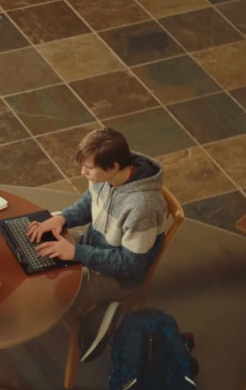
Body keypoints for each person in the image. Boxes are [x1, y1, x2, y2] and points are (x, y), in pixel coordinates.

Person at [26, 128, 167, 362]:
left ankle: (100, 313)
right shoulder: (111, 176)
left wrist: (75, 252)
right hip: (93, 249)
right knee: (37, 254)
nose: (83, 173)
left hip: (120, 278)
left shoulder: (143, 207)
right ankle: (94, 307)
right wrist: (63, 219)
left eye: (89, 169)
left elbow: (132, 265)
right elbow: (91, 200)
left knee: (50, 284)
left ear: (112, 166)